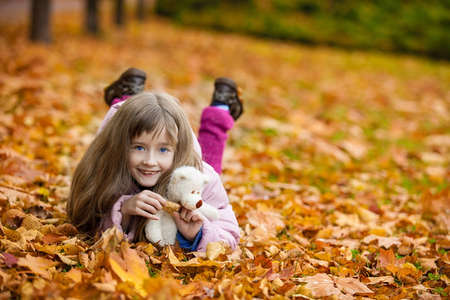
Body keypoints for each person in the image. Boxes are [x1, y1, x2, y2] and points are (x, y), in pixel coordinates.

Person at [67, 68, 243, 252]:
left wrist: (198, 234)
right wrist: (122, 211)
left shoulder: (201, 175)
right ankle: (126, 98)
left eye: (163, 149)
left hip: (189, 170)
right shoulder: (105, 164)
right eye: (139, 148)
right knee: (127, 120)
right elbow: (82, 219)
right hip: (121, 148)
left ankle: (220, 109)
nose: (150, 161)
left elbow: (229, 233)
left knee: (209, 160)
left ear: (178, 149)